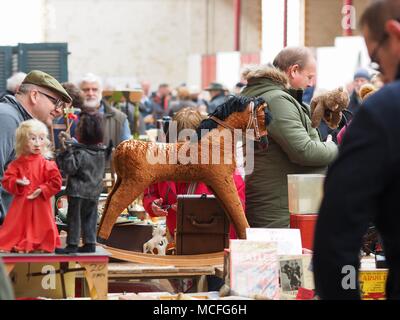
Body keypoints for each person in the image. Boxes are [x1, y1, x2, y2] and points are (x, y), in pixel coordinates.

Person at [313, 0, 400, 300]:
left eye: (376, 59)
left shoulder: (385, 110)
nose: (382, 74)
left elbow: (336, 237)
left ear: (394, 33)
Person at [241, 47, 338, 228]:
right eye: (309, 77)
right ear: (293, 70)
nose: (311, 84)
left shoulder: (269, 96)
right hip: (280, 210)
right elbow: (305, 151)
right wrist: (334, 147)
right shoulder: (276, 100)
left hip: (279, 203)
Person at [143, 107, 246, 241]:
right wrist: (153, 205)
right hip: (177, 243)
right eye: (180, 145)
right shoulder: (163, 162)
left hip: (214, 244)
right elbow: (150, 192)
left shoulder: (224, 168)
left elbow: (237, 211)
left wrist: (195, 210)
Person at [0, 70, 71, 224]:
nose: (59, 110)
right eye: (56, 102)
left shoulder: (18, 121)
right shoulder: (7, 118)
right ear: (34, 95)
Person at [0, 119, 62, 253]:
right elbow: (7, 180)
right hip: (22, 203)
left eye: (41, 138)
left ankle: (40, 244)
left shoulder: (47, 164)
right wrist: (18, 182)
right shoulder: (17, 164)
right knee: (17, 226)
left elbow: (56, 182)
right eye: (32, 139)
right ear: (23, 142)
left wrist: (42, 189)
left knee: (42, 225)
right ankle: (20, 244)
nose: (37, 143)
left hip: (40, 203)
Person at [56, 112, 110, 254]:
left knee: (74, 218)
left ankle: (72, 244)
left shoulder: (80, 152)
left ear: (82, 132)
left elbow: (70, 168)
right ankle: (90, 243)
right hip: (94, 192)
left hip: (78, 192)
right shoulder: (101, 152)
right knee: (90, 218)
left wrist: (65, 151)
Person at [78, 73, 131, 145]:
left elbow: (126, 151)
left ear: (101, 91)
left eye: (94, 89)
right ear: (79, 92)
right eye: (86, 90)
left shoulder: (120, 119)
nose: (90, 93)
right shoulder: (71, 116)